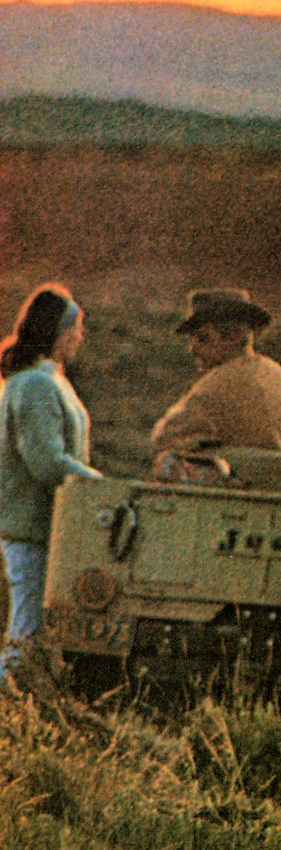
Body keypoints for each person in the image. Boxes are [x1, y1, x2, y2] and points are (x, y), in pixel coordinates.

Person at [0, 284, 102, 676]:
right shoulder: (35, 385)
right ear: (59, 331)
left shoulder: (46, 381)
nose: (80, 337)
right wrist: (96, 483)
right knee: (27, 630)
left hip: (49, 531)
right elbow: (46, 461)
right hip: (32, 531)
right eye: (76, 328)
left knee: (35, 631)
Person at [150, 288, 281, 478]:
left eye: (203, 338)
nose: (193, 349)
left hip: (255, 491)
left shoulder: (221, 381)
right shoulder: (272, 371)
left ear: (232, 338)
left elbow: (164, 437)